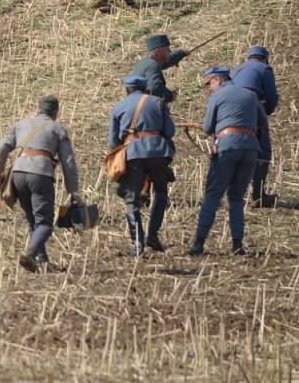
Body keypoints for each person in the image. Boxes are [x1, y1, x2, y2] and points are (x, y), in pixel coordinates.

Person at [0, 95, 82, 272]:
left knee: (33, 220)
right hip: (40, 174)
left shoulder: (21, 124)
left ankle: (42, 262)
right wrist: (74, 191)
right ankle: (30, 255)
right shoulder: (58, 129)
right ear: (56, 112)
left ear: (38, 109)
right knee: (45, 224)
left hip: (18, 174)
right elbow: (68, 162)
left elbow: (2, 147)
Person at [189, 67, 267, 256]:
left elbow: (208, 127)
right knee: (237, 197)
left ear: (218, 79)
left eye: (210, 83)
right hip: (250, 149)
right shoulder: (250, 96)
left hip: (227, 146)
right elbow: (263, 121)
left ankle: (198, 243)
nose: (209, 88)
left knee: (213, 195)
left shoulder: (217, 96)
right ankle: (237, 245)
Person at [108, 75, 176, 257]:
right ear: (145, 88)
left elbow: (113, 142)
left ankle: (138, 244)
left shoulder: (118, 107)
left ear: (127, 89)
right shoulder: (159, 102)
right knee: (160, 193)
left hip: (133, 154)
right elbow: (170, 131)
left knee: (131, 200)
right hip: (159, 152)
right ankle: (153, 236)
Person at [231, 46, 280, 207]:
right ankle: (258, 196)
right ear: (264, 58)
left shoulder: (236, 69)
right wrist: (265, 112)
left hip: (231, 109)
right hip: (252, 104)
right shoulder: (264, 68)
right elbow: (272, 97)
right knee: (263, 150)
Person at [131, 34, 189, 103]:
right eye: (167, 49)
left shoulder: (146, 62)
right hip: (144, 107)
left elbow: (167, 61)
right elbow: (155, 88)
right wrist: (170, 96)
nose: (170, 51)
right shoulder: (153, 65)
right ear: (158, 51)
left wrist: (181, 53)